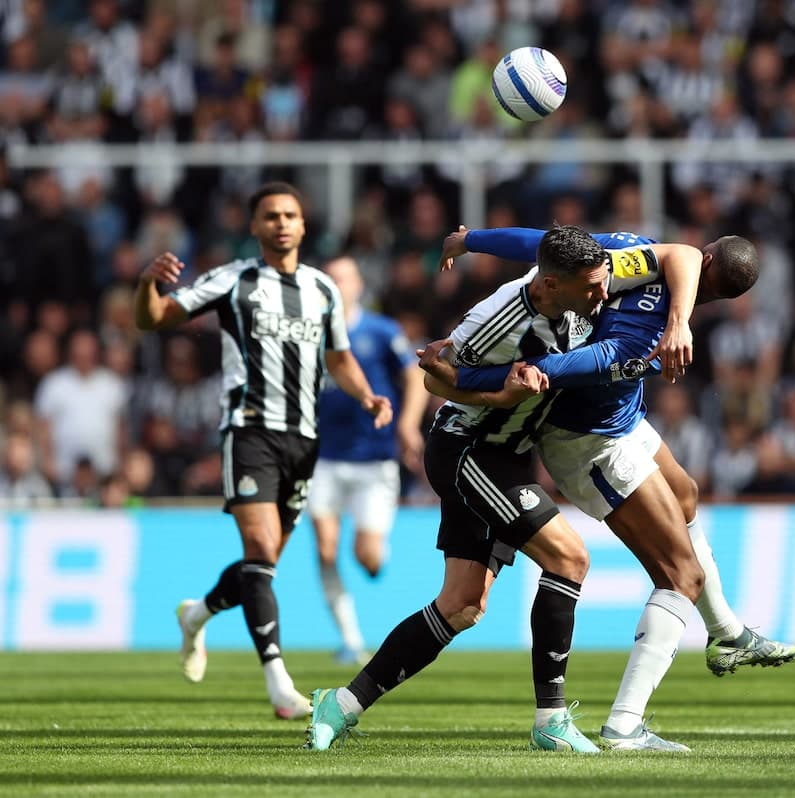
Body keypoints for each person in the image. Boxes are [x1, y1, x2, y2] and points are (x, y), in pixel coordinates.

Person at [304, 225, 703, 752]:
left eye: (603, 279)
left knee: (462, 604)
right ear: (551, 286)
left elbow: (681, 254)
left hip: (510, 456)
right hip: (469, 450)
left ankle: (341, 704)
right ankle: (551, 720)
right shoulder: (495, 324)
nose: (602, 295)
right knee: (569, 559)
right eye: (590, 288)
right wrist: (499, 396)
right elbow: (435, 379)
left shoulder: (596, 271)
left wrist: (471, 240)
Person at [421, 225, 795, 751]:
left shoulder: (627, 256)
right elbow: (544, 369)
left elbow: (547, 242)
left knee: (685, 493)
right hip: (590, 443)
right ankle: (624, 725)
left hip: (623, 420)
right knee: (681, 574)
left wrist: (471, 240)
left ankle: (727, 633)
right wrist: (462, 377)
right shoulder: (638, 332)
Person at [133, 182, 393, 719]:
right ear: (254, 226)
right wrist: (145, 286)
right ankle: (278, 682)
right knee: (259, 546)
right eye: (270, 216)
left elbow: (339, 358)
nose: (280, 223)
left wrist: (367, 395)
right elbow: (154, 319)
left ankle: (197, 614)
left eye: (290, 215)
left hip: (304, 439)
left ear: (302, 225)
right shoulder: (233, 280)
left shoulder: (323, 289)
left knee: (264, 562)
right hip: (249, 431)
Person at [309, 255, 427, 665]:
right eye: (330, 279)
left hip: (374, 460)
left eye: (343, 278)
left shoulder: (380, 331)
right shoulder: (310, 332)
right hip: (322, 457)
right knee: (325, 550)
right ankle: (350, 638)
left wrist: (408, 426)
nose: (336, 286)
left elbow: (415, 377)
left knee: (367, 556)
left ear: (358, 285)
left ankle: (377, 554)